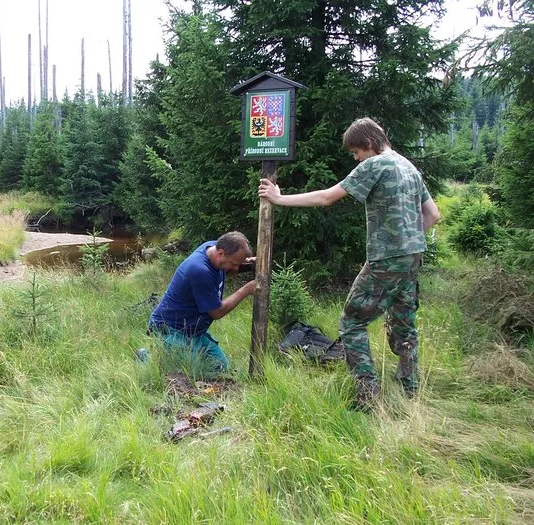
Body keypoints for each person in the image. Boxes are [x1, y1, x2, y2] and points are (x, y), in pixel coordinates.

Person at [258, 117, 440, 410]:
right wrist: (407, 239)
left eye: (356, 152)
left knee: (352, 322)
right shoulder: (408, 167)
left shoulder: (375, 164)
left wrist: (279, 198)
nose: (355, 158)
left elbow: (327, 197)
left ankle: (368, 396)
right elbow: (433, 215)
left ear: (368, 144)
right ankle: (410, 388)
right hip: (413, 257)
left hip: (385, 258)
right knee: (405, 323)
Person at [148, 231, 256, 373]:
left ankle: (177, 352)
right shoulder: (200, 271)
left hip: (194, 331)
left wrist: (247, 262)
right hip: (171, 328)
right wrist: (246, 290)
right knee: (190, 371)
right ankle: (146, 356)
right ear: (221, 253)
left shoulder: (212, 247)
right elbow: (216, 312)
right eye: (233, 264)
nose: (235, 269)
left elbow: (228, 268)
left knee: (221, 368)